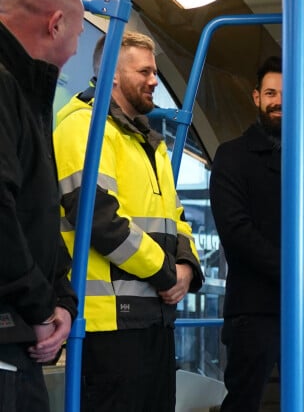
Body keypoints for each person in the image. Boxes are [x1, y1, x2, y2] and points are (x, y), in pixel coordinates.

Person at [53, 31, 204, 412]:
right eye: (145, 71)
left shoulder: (150, 143)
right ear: (113, 76)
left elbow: (176, 217)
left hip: (153, 318)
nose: (155, 80)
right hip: (109, 324)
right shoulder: (82, 126)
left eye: (155, 72)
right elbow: (100, 218)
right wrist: (167, 275)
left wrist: (187, 266)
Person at [209, 56, 304, 412]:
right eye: (270, 93)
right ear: (256, 97)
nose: (278, 101)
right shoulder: (231, 158)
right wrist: (295, 272)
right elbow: (237, 231)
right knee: (244, 404)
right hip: (254, 311)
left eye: (286, 93)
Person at [0, 0, 83, 411]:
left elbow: (39, 214)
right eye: (75, 39)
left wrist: (63, 301)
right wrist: (38, 307)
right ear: (55, 25)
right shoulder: (6, 86)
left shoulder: (29, 97)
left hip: (22, 331)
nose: (72, 54)